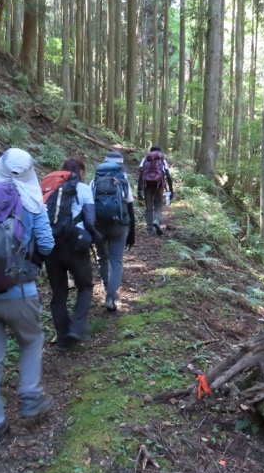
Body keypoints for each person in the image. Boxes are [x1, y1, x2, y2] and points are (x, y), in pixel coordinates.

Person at [0, 147, 55, 451]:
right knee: (31, 339)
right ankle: (29, 395)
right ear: (30, 171)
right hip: (18, 291)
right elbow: (46, 243)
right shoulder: (31, 202)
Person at [45, 157, 102, 351]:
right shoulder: (84, 189)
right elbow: (90, 219)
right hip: (76, 245)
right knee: (85, 286)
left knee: (58, 294)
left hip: (51, 245)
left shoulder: (49, 188)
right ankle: (77, 327)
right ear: (82, 172)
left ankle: (63, 339)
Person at [91, 150, 136, 312]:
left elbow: (89, 206)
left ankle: (106, 288)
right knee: (116, 260)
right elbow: (130, 208)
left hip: (98, 225)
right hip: (119, 225)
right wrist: (131, 233)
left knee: (102, 257)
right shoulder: (123, 181)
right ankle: (111, 296)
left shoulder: (94, 181)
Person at [137, 145, 174, 236]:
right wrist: (171, 190)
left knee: (148, 208)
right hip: (159, 186)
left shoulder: (145, 159)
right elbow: (168, 176)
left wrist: (139, 190)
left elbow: (141, 176)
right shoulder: (162, 159)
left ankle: (149, 230)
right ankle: (157, 220)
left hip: (146, 186)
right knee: (158, 205)